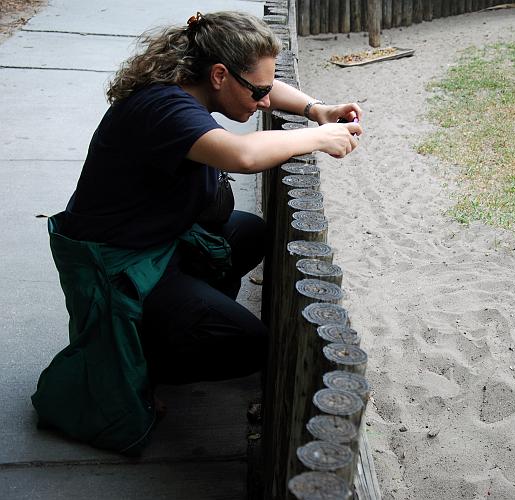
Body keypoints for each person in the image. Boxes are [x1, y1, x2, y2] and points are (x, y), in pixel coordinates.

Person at [31, 11, 363, 455]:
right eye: (258, 92)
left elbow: (260, 85)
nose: (264, 102)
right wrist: (320, 137)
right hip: (116, 268)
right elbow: (243, 155)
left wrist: (312, 109)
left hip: (153, 243)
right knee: (248, 346)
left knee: (247, 233)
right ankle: (135, 362)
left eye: (267, 90)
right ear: (219, 75)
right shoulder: (164, 109)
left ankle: (181, 319)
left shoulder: (192, 85)